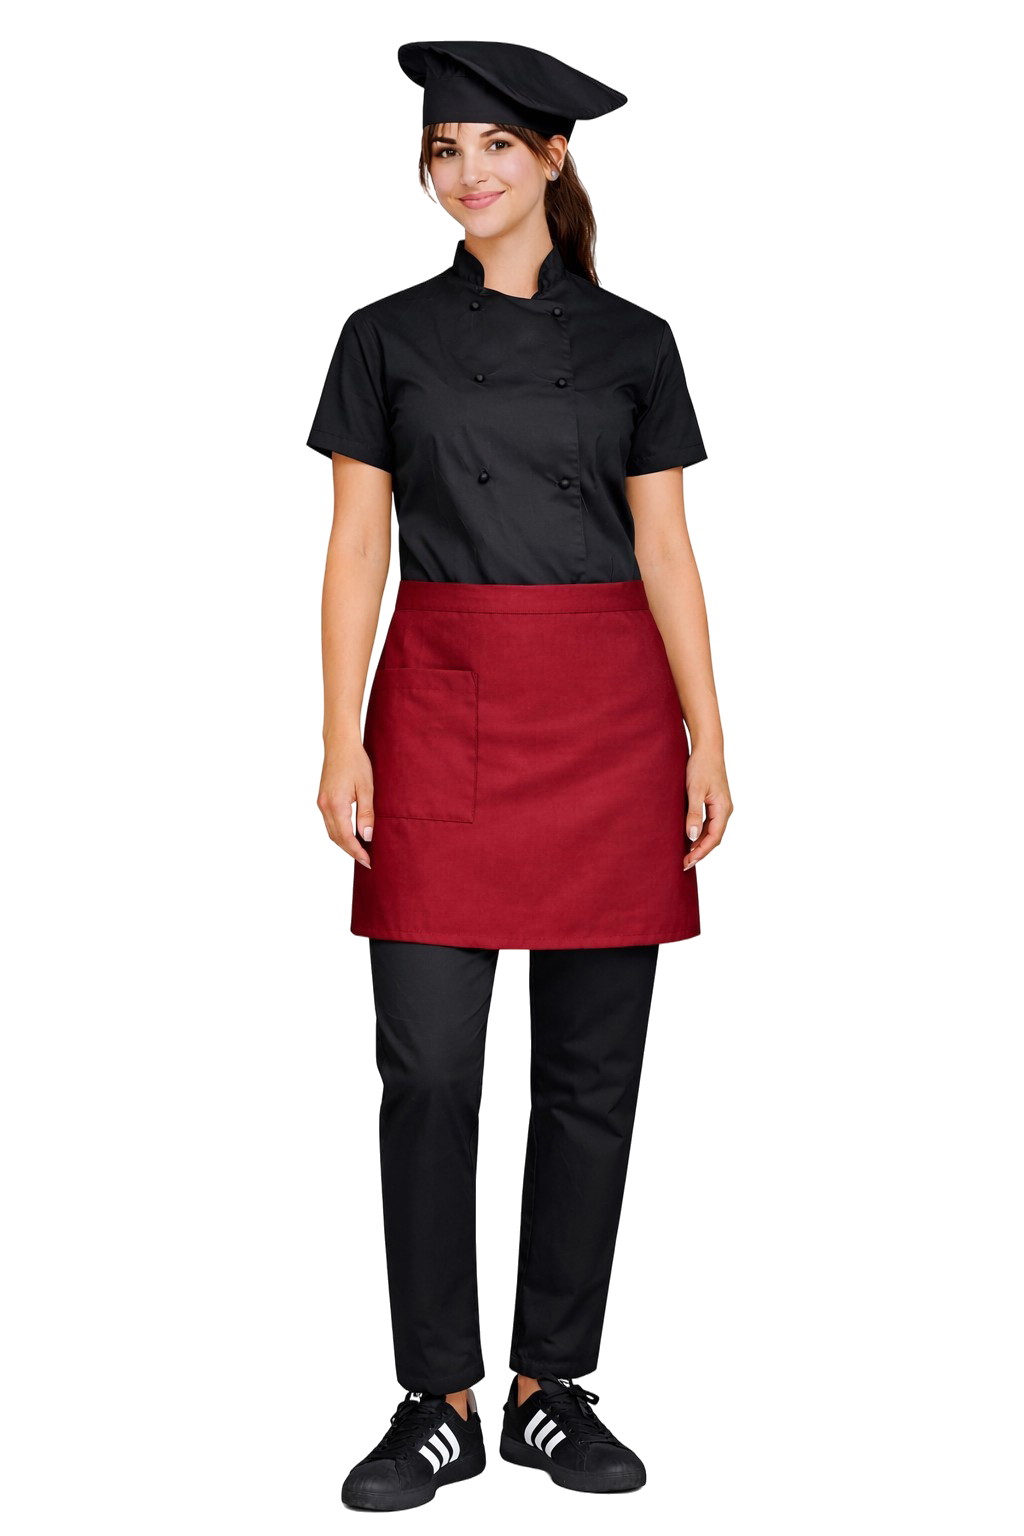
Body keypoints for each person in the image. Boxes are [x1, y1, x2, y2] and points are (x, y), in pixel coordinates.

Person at [307, 39, 734, 1512]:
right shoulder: (382, 339)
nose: (468, 174)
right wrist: (340, 733)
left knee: (590, 1078)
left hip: (611, 717)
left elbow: (665, 547)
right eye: (446, 151)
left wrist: (709, 731)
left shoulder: (637, 345)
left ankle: (553, 1386)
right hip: (439, 706)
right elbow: (356, 547)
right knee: (426, 1071)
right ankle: (437, 1399)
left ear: (554, 158)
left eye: (495, 146)